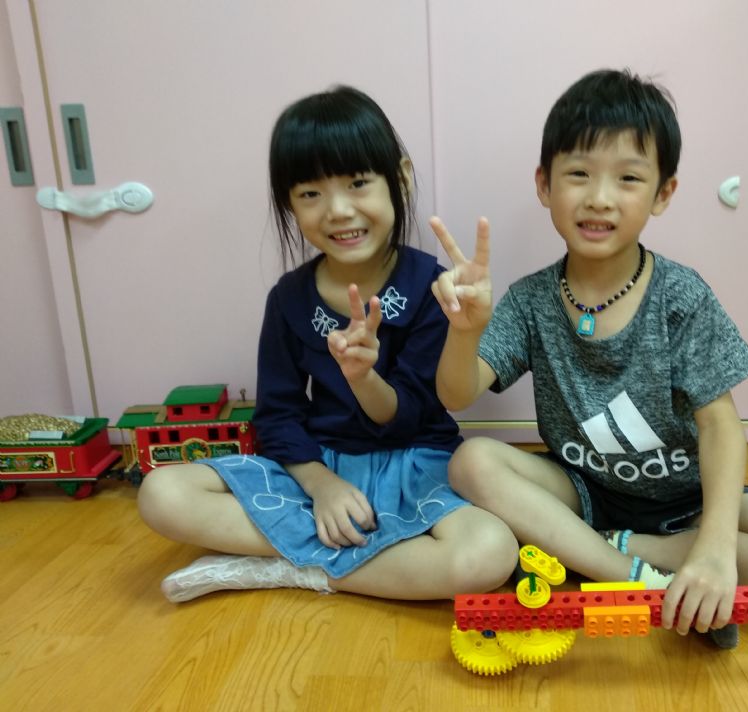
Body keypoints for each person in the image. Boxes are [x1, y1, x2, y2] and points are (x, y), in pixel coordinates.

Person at [429, 69, 748, 649]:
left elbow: (720, 425)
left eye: (627, 178)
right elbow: (455, 394)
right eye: (579, 174)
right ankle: (633, 576)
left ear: (662, 194)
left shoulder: (681, 297)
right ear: (545, 184)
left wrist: (716, 548)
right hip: (583, 490)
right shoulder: (529, 300)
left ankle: (607, 551)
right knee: (471, 461)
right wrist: (465, 332)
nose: (600, 197)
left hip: (689, 500)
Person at [138, 86, 518, 604]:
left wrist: (363, 378)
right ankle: (356, 561)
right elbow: (278, 417)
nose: (338, 210)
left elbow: (408, 417)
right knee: (161, 493)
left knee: (489, 552)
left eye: (358, 183)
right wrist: (322, 486)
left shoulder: (433, 288)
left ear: (401, 178)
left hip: (415, 466)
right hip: (317, 467)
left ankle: (290, 566)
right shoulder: (289, 298)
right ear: (289, 204)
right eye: (310, 194)